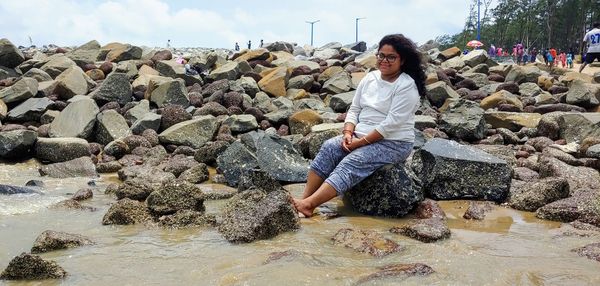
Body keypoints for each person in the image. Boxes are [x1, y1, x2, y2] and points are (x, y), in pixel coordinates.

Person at [293, 34, 425, 217]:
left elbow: (390, 125)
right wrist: (348, 132)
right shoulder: (370, 78)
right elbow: (354, 109)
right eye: (381, 55)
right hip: (359, 135)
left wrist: (360, 143)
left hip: (393, 142)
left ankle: (309, 205)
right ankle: (304, 199)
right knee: (329, 147)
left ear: (402, 60)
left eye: (391, 57)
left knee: (352, 161)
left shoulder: (406, 86)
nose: (384, 60)